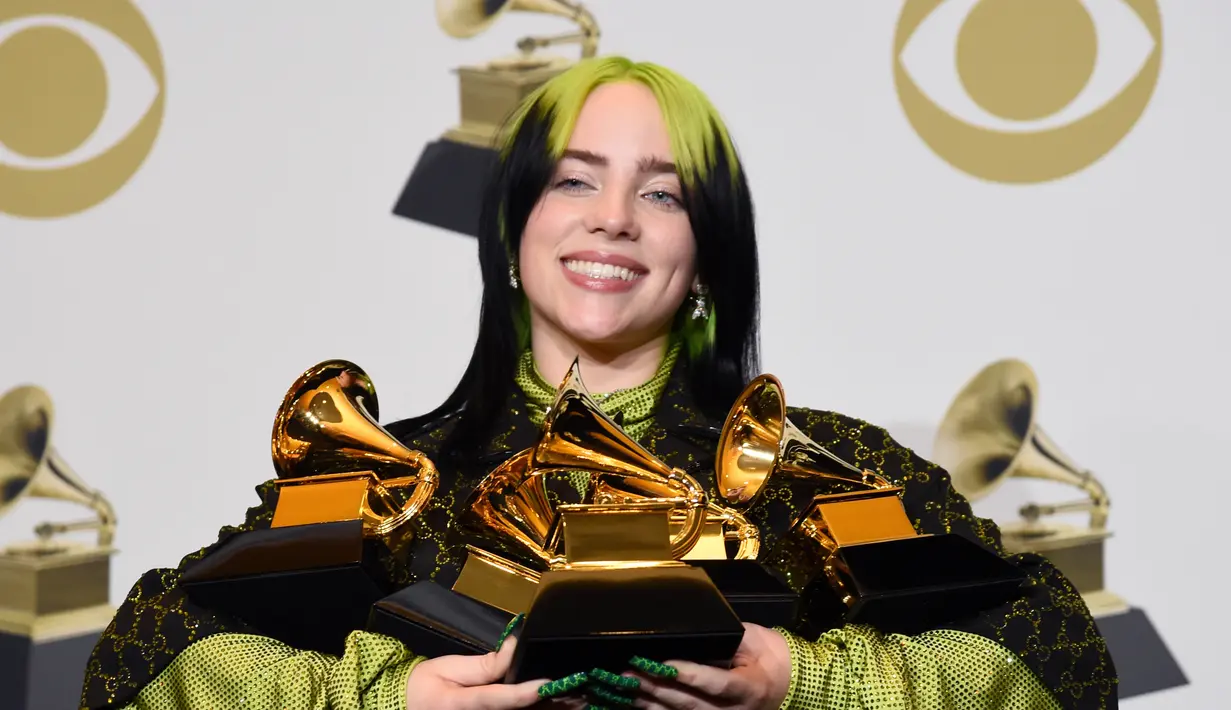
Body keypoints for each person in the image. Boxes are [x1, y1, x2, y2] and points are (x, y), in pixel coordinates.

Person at [79, 56, 1117, 710]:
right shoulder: (382, 475)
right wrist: (387, 698)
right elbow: (140, 672)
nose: (612, 217)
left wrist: (802, 682)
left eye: (661, 193)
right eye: (574, 179)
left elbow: (1061, 667)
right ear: (513, 229)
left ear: (707, 254)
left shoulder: (831, 470)